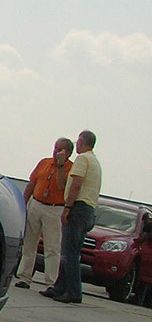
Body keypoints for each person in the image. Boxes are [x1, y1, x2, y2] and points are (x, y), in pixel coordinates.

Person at [42, 130, 102, 304]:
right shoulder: (94, 161)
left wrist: (68, 207)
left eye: (78, 142)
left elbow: (75, 184)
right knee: (71, 249)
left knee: (70, 252)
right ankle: (60, 287)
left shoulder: (82, 159)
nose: (76, 145)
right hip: (89, 209)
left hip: (79, 208)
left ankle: (74, 292)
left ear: (82, 143)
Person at [14, 138, 73, 288]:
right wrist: (23, 203)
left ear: (68, 153)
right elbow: (32, 182)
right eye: (55, 148)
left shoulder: (70, 168)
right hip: (37, 204)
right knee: (29, 243)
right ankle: (24, 276)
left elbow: (62, 186)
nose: (56, 152)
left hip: (55, 209)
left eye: (60, 149)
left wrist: (60, 165)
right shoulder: (44, 162)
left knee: (52, 247)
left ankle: (51, 282)